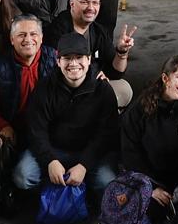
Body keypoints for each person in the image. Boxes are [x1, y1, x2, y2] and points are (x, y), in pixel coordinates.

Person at [13, 32, 118, 194]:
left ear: (89, 59)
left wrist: (84, 165)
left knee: (108, 183)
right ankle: (56, 187)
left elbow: (106, 134)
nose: (73, 63)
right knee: (23, 176)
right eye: (67, 58)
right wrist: (50, 161)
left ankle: (77, 188)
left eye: (79, 57)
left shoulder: (103, 90)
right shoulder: (45, 88)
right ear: (58, 61)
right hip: (54, 150)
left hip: (88, 153)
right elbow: (36, 130)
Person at [120, 56, 178, 219]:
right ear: (165, 78)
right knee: (155, 215)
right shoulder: (139, 110)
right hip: (152, 177)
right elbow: (130, 153)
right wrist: (151, 188)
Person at [44, 0, 135, 108]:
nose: (91, 8)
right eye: (85, 2)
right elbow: (53, 72)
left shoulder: (98, 31)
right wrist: (92, 77)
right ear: (72, 4)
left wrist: (122, 52)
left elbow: (115, 73)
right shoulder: (57, 30)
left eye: (95, 3)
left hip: (92, 88)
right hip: (65, 90)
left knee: (124, 89)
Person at [0, 15, 57, 146]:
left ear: (41, 38)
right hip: (15, 133)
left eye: (33, 34)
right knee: (23, 168)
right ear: (12, 39)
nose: (28, 39)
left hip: (50, 130)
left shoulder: (57, 60)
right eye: (21, 35)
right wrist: (3, 127)